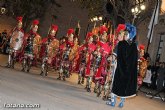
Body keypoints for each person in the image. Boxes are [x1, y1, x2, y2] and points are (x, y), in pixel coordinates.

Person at [107, 23, 138, 108]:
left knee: (119, 85)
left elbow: (135, 60)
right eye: (124, 34)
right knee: (120, 84)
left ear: (130, 35)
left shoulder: (130, 45)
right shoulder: (126, 45)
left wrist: (112, 57)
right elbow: (115, 54)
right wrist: (111, 57)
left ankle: (117, 102)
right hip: (124, 69)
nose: (125, 35)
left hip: (123, 69)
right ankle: (117, 102)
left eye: (126, 34)